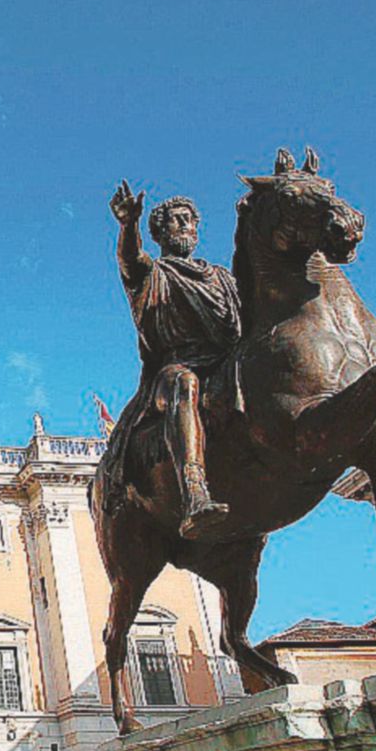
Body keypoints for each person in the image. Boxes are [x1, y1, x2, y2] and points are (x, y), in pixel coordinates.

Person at [102, 183, 242, 539]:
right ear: (159, 232)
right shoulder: (152, 275)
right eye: (175, 221)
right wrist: (127, 225)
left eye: (189, 220)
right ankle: (194, 487)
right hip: (174, 371)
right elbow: (130, 260)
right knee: (185, 384)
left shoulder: (222, 278)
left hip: (225, 363)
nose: (184, 227)